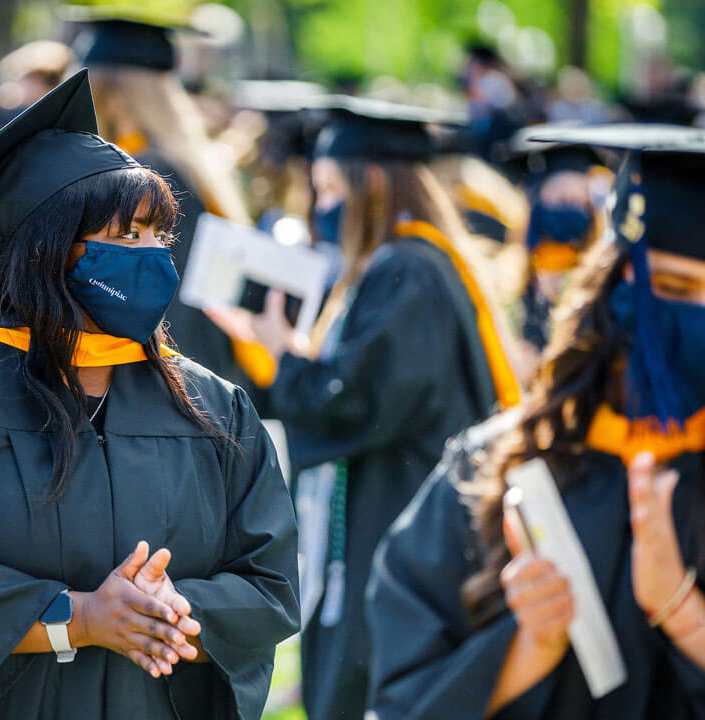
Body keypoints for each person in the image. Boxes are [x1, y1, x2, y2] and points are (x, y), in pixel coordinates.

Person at [0, 69, 299, 720]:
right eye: (125, 236)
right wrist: (80, 617)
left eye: (157, 236)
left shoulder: (210, 405)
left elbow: (271, 583)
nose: (153, 257)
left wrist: (171, 611)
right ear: (46, 250)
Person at [367, 123, 705, 719]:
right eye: (677, 287)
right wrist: (529, 647)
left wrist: (682, 610)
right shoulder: (496, 468)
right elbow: (400, 700)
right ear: (616, 290)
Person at [247, 96, 523, 720]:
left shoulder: (408, 269)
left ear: (369, 181)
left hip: (394, 524)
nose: (321, 209)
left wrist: (286, 359)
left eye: (327, 188)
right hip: (394, 512)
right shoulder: (414, 265)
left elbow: (360, 404)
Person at [73, 9, 273, 395]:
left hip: (154, 385)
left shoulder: (139, 179)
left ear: (111, 95)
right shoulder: (189, 169)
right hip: (198, 381)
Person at [503, 125, 610, 364]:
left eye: (578, 201)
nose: (569, 207)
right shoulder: (506, 277)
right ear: (536, 200)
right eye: (560, 198)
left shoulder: (601, 281)